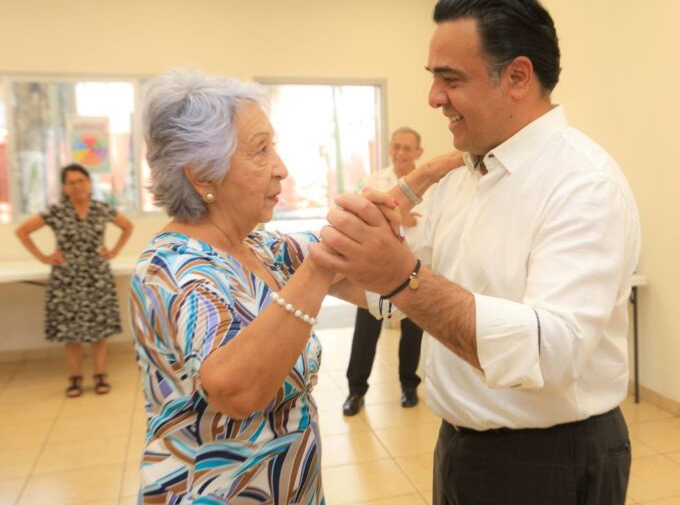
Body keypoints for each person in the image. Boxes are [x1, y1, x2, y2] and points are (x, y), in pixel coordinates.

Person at [311, 0, 641, 505]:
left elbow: (546, 354)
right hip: (464, 446)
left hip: (548, 461)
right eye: (434, 79)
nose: (434, 98)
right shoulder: (466, 177)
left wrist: (399, 276)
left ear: (517, 77)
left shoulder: (583, 184)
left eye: (451, 79)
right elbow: (424, 294)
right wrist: (338, 271)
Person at [128, 68, 459, 503]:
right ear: (202, 176)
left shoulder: (261, 248)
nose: (281, 169)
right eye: (260, 151)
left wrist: (431, 172)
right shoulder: (173, 267)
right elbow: (237, 389)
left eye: (274, 148)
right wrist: (320, 268)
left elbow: (347, 244)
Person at [15, 163, 133, 398]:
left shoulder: (102, 209)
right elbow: (22, 231)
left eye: (81, 181)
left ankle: (100, 374)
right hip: (66, 277)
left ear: (89, 184)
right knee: (71, 332)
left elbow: (127, 226)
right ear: (64, 187)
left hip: (97, 276)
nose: (77, 186)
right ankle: (76, 376)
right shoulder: (56, 211)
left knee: (100, 330)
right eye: (71, 182)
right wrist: (43, 257)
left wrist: (114, 251)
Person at [343, 127, 427, 416]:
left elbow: (432, 226)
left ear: (419, 152)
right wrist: (400, 217)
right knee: (366, 331)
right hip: (377, 271)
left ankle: (408, 386)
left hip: (417, 270)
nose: (401, 153)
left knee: (412, 334)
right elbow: (363, 217)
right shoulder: (376, 181)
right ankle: (356, 391)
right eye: (397, 147)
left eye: (407, 148)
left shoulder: (434, 185)